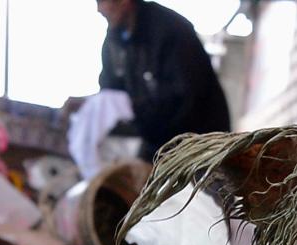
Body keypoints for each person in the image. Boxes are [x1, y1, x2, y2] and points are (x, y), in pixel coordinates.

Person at [95, 0, 230, 160]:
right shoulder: (114, 41)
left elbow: (189, 96)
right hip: (157, 143)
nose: (99, 9)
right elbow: (110, 92)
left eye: (102, 1)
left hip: (200, 142)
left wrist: (139, 110)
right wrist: (88, 106)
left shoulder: (170, 29)